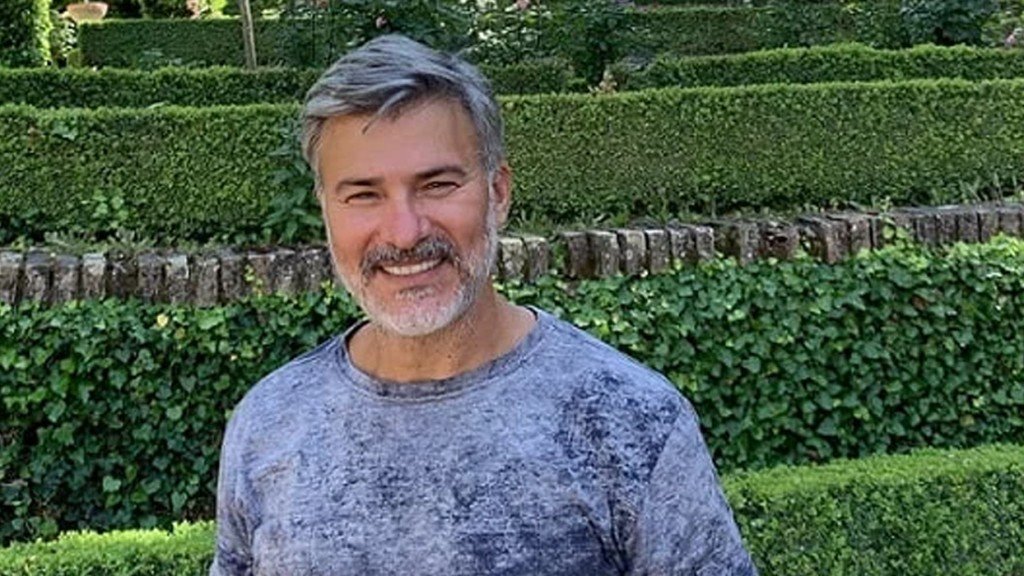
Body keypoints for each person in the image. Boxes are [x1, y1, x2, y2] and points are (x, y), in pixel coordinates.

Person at [210, 34, 757, 575]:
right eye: (363, 195)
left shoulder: (630, 418)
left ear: (497, 193)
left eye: (437, 185)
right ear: (325, 209)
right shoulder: (267, 421)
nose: (404, 232)